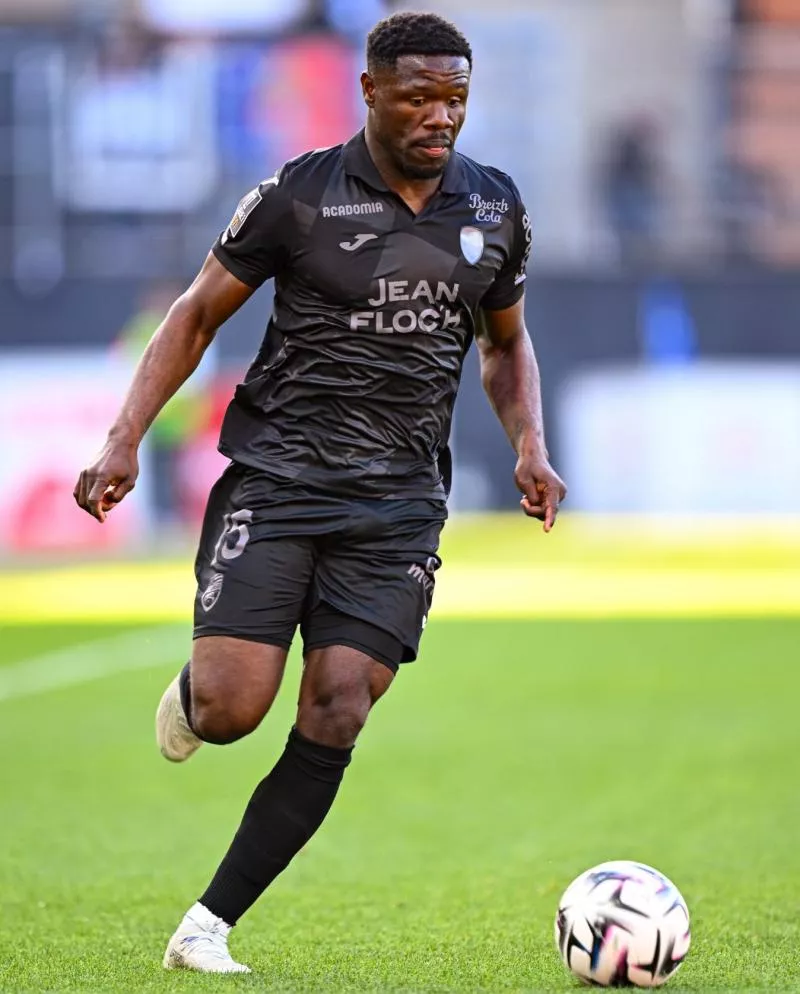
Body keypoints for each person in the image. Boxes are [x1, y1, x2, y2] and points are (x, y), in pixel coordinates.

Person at [74, 11, 566, 975]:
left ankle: (206, 926)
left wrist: (529, 447)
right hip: (283, 478)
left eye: (455, 97)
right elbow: (195, 315)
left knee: (340, 703)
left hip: (398, 504)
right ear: (371, 91)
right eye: (420, 95)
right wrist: (125, 435)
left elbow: (506, 344)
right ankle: (194, 690)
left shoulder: (494, 208)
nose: (441, 115)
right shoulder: (298, 197)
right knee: (231, 711)